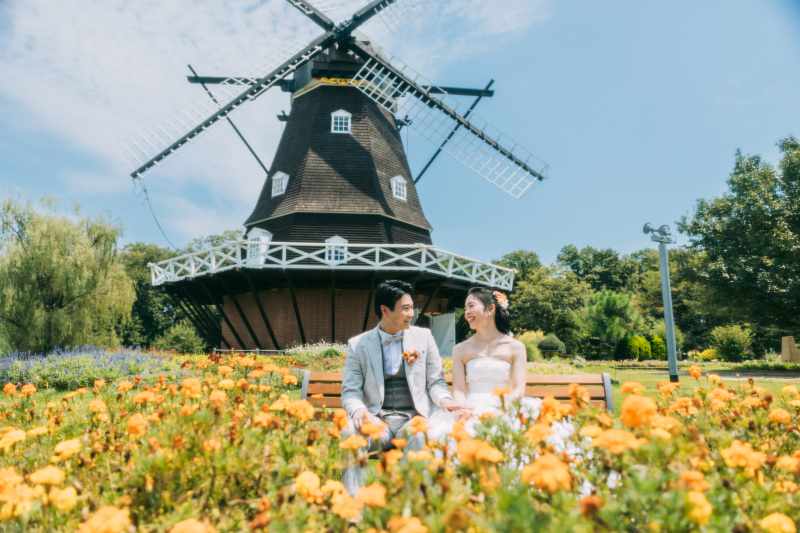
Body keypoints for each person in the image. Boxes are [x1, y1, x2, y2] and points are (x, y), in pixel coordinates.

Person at [340, 279, 470, 496]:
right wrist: (358, 409)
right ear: (385, 310)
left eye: (412, 308)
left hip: (412, 419)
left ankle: (411, 510)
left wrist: (444, 400)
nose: (412, 313)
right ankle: (353, 511)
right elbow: (350, 391)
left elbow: (435, 382)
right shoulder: (358, 344)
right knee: (350, 432)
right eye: (406, 308)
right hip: (376, 421)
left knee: (421, 434)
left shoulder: (424, 338)